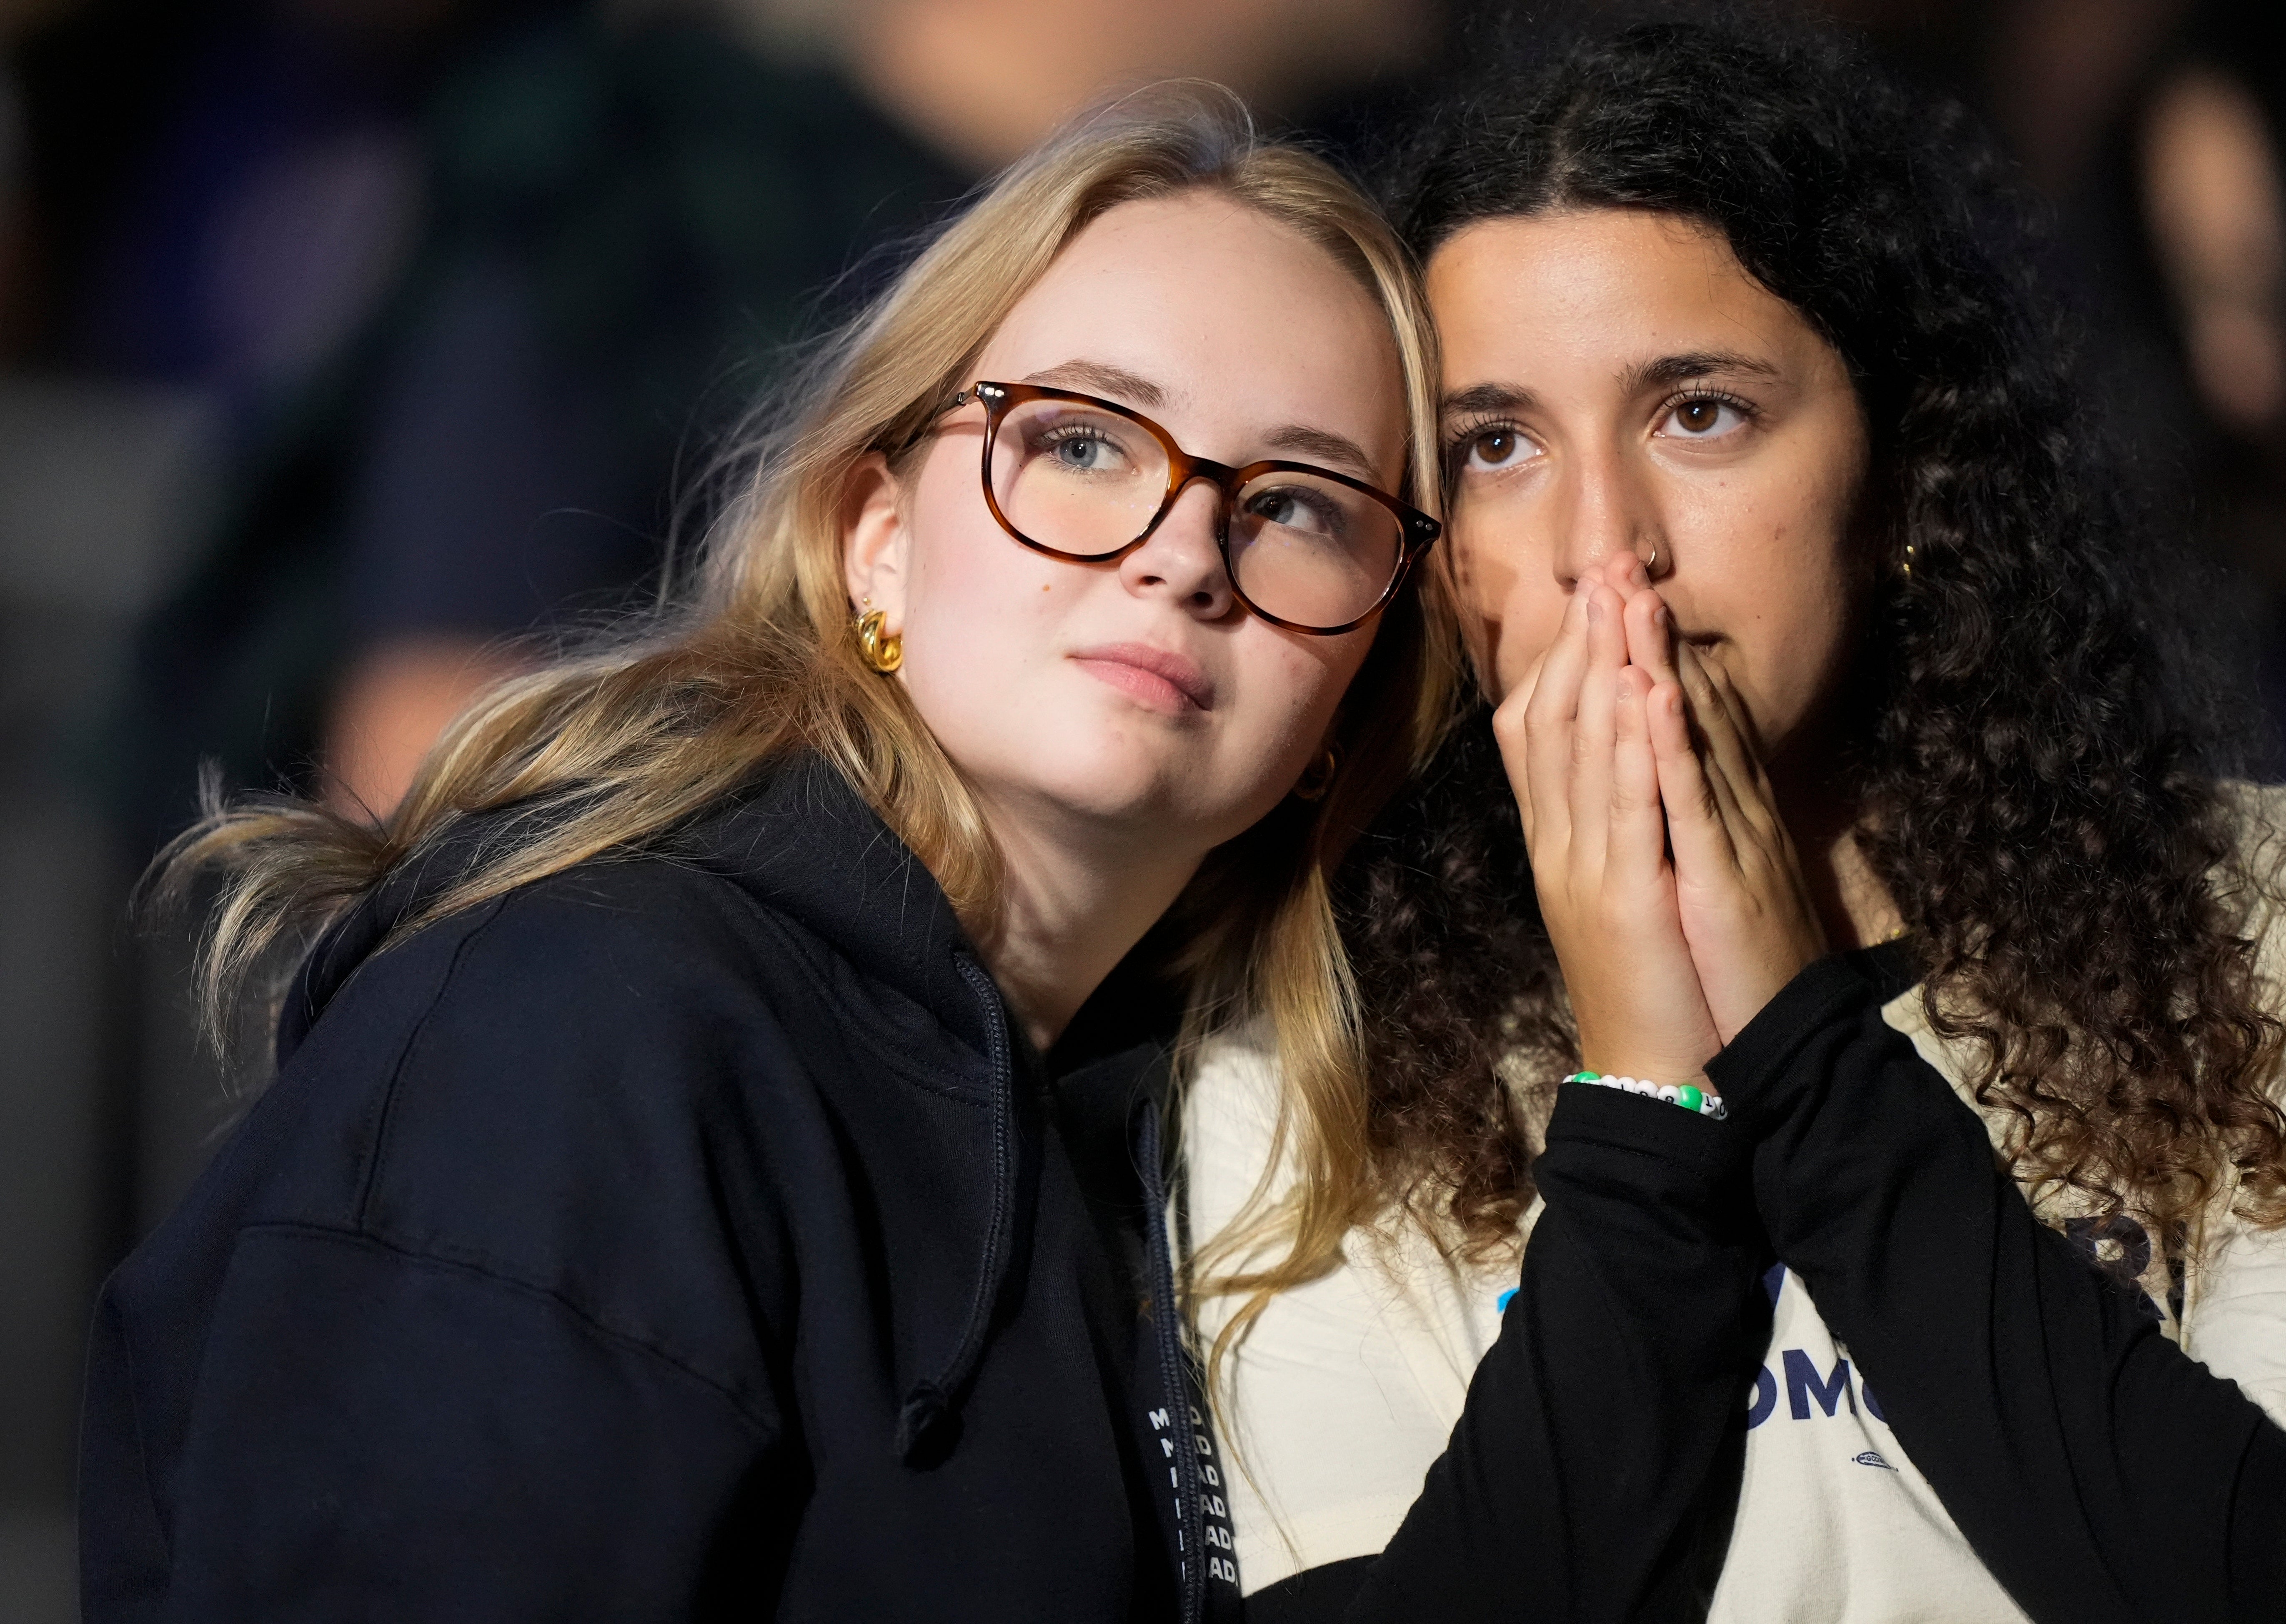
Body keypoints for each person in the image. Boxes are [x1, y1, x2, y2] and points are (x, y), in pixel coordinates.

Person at [79, 93, 1451, 1620]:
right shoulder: (580, 1031)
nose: (1186, 548)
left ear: (1352, 692)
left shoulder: (1167, 1154)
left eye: (1299, 506)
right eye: (1079, 438)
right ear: (879, 540)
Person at [1182, 18, 2286, 1622]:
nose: (1601, 551)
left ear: (1908, 476)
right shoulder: (1311, 1063)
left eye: (1697, 412)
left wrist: (1797, 1033)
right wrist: (1643, 1088)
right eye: (1496, 446)